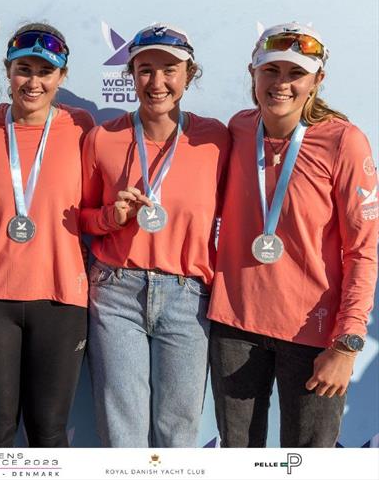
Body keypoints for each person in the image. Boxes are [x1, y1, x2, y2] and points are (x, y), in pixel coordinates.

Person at [208, 22, 377, 447]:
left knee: (307, 464)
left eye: (295, 73)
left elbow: (363, 249)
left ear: (317, 81)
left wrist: (347, 344)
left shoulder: (345, 142)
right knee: (238, 459)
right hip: (235, 325)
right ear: (252, 74)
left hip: (314, 333)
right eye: (271, 71)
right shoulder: (239, 129)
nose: (281, 83)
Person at [80, 23, 230, 447]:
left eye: (170, 70)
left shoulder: (216, 139)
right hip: (116, 292)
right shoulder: (103, 138)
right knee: (121, 427)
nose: (157, 82)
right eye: (146, 70)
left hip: (188, 295)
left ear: (188, 75)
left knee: (177, 430)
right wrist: (114, 216)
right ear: (130, 74)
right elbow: (83, 219)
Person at [0, 23, 94, 447]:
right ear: (7, 71)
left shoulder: (81, 127)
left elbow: (88, 209)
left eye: (45, 72)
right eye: (23, 70)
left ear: (62, 76)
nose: (33, 82)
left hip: (59, 298)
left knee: (49, 431)